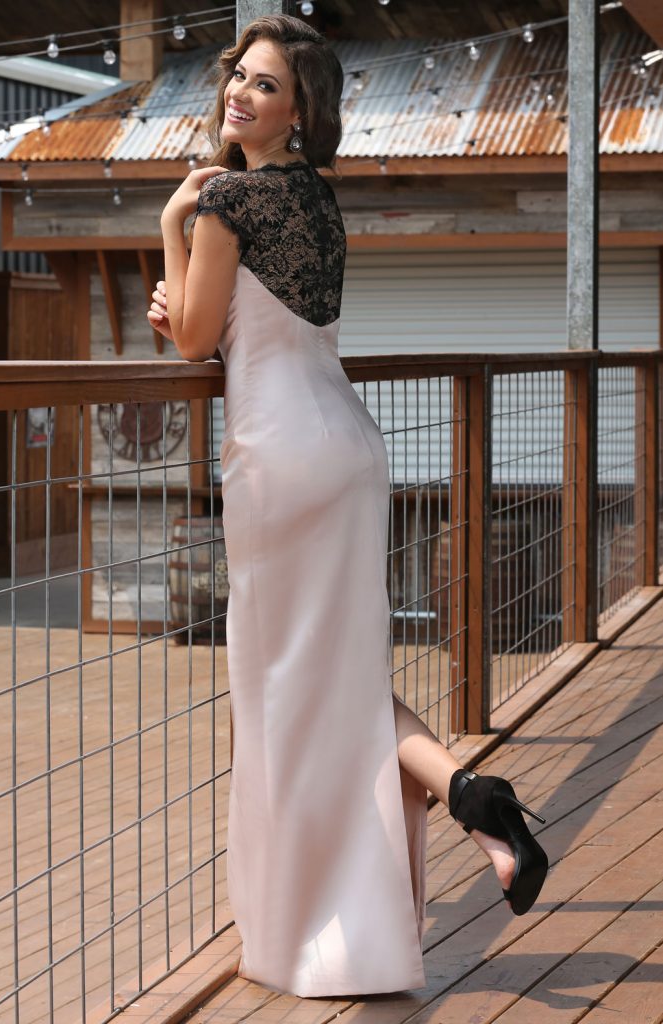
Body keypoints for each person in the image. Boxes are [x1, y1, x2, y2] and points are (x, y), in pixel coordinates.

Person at [147, 13, 548, 999]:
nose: (240, 92)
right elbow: (248, 322)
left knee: (287, 696)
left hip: (279, 459)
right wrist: (193, 292)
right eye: (238, 75)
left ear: (299, 111)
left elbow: (194, 339)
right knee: (339, 680)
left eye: (266, 84)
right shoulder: (315, 199)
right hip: (346, 449)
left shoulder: (225, 200)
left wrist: (170, 229)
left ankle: (314, 932)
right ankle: (468, 793)